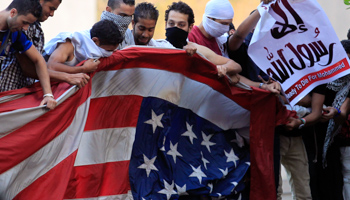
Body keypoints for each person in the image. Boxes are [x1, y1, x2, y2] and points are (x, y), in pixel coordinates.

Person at [164, 1, 281, 94]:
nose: (226, 28)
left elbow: (235, 70)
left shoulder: (220, 40)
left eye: (228, 23)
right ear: (209, 19)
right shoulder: (190, 40)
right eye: (223, 23)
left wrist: (263, 86)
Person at [0, 0, 56, 110]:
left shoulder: (15, 33)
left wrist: (48, 95)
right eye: (24, 22)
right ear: (13, 13)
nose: (26, 28)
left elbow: (38, 60)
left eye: (29, 24)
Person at [44, 20, 123, 74]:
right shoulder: (69, 45)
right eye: (108, 51)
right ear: (95, 41)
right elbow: (52, 67)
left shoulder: (93, 47)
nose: (110, 54)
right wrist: (83, 69)